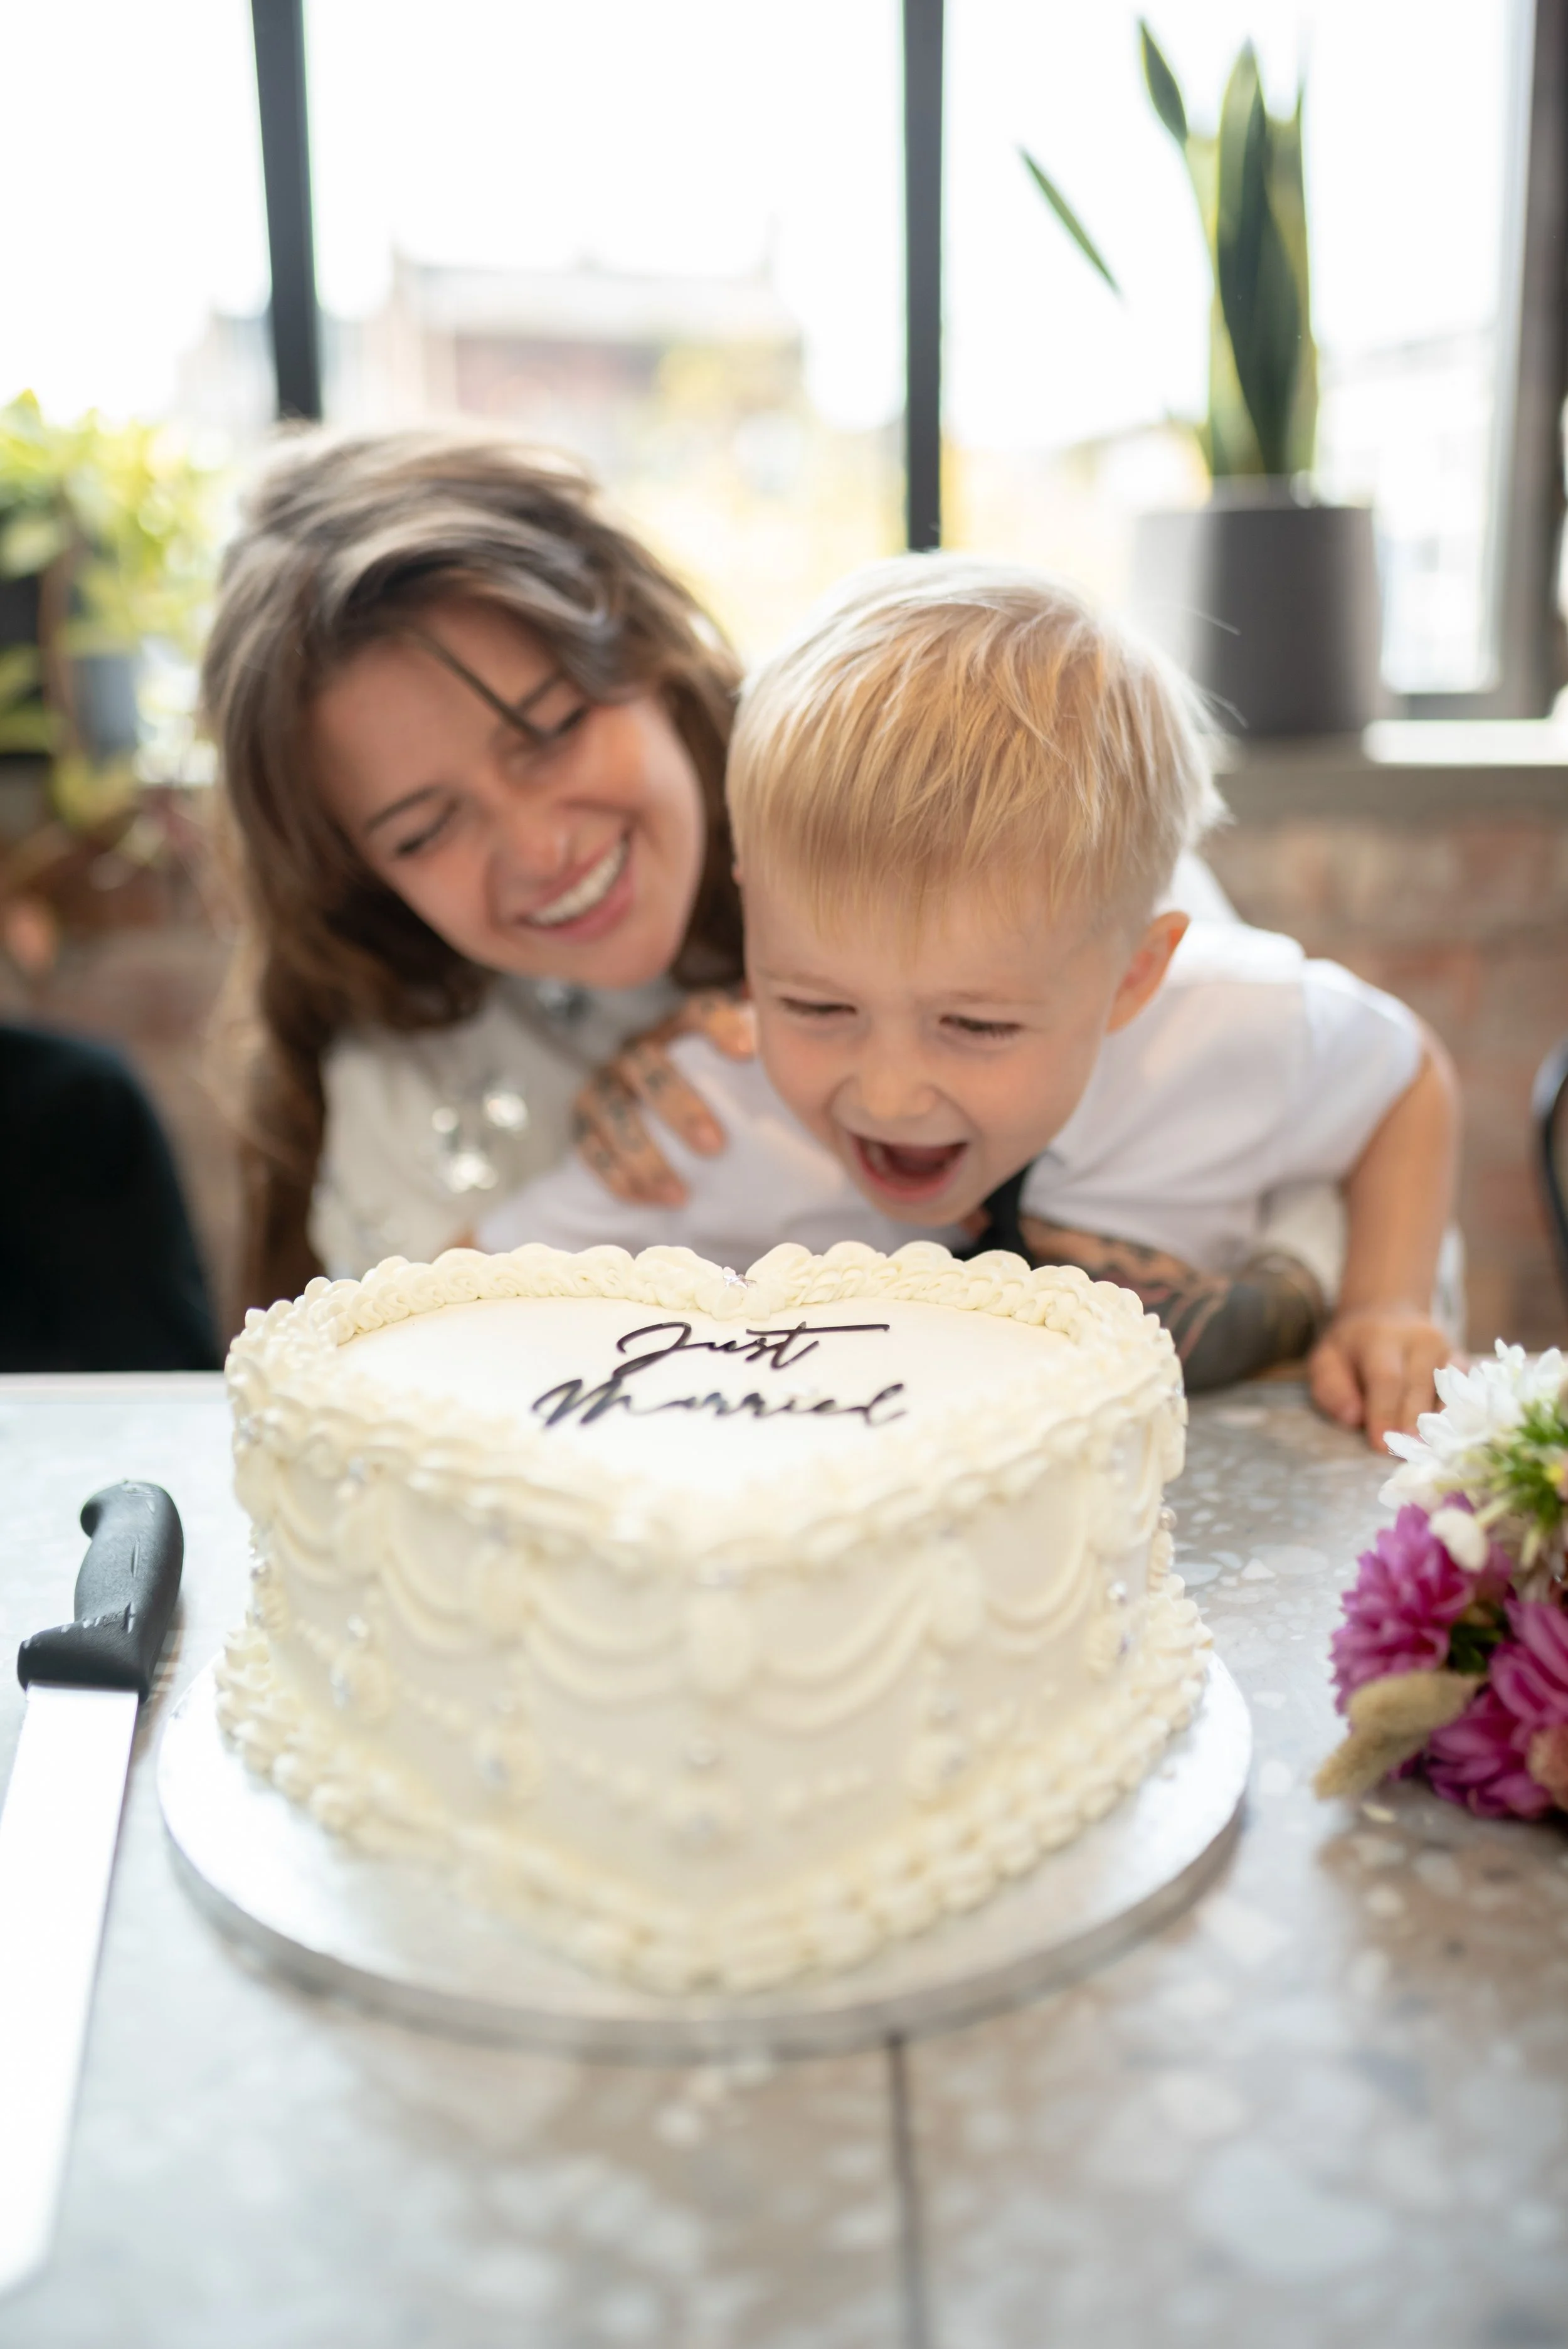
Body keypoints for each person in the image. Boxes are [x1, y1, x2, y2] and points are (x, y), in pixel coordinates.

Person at [481, 558, 1458, 1448]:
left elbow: (1406, 1075)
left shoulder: (1237, 1030)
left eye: (976, 1025)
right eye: (818, 1007)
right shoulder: (708, 1113)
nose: (891, 1094)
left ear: (1134, 974)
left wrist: (1386, 1301)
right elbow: (472, 1294)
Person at [201, 427, 750, 1309]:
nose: (539, 850)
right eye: (423, 832)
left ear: (647, 648)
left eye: (550, 731)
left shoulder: (905, 848)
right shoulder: (398, 1087)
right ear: (360, 874)